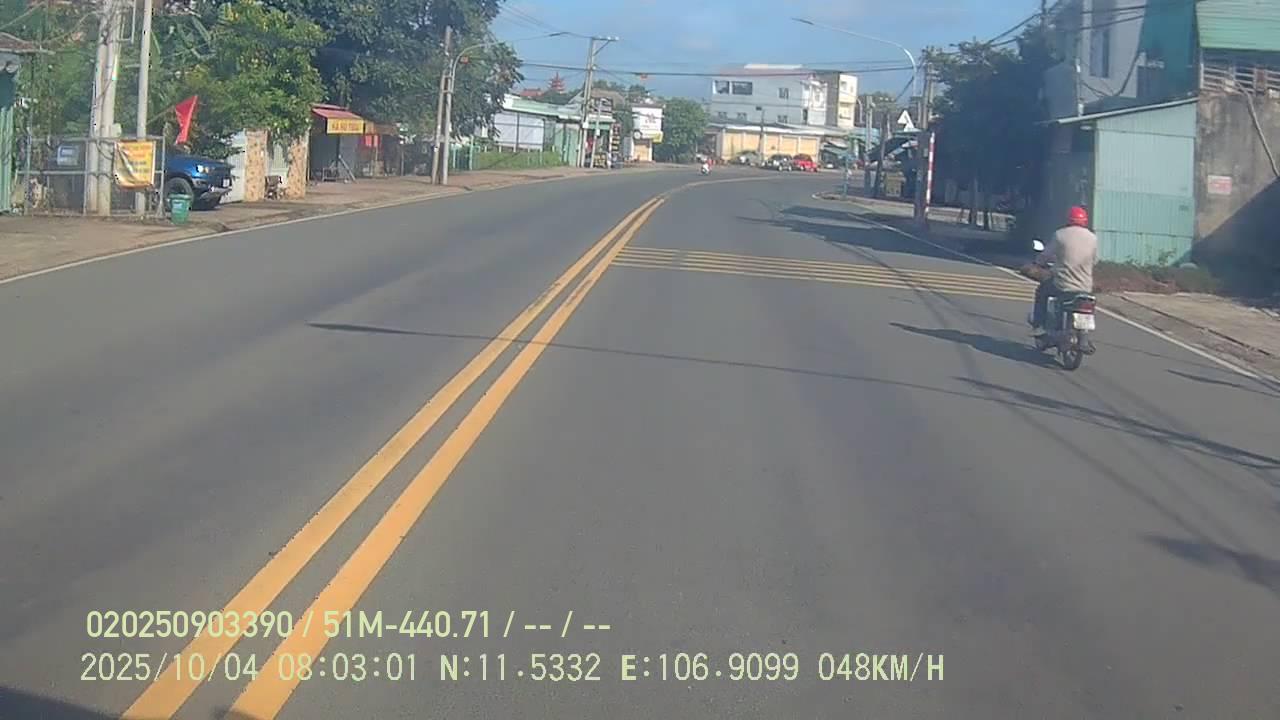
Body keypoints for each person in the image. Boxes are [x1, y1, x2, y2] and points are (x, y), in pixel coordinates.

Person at [1031, 205, 1099, 336]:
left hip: (1062, 284)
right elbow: (1095, 260)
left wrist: (1038, 263)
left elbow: (1046, 255)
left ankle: (1039, 325)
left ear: (1069, 219)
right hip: (1085, 287)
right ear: (1085, 221)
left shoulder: (1060, 235)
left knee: (1042, 291)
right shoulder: (1092, 238)